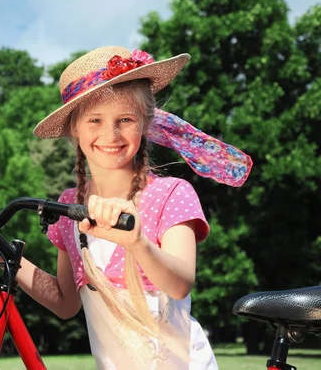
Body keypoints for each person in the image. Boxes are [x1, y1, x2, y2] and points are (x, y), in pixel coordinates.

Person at [13, 46, 252, 369]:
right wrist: (9, 260)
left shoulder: (170, 194)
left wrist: (137, 243)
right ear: (74, 128)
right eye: (94, 120)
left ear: (144, 122)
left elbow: (180, 283)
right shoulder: (68, 207)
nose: (110, 135)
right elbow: (66, 302)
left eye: (124, 119)